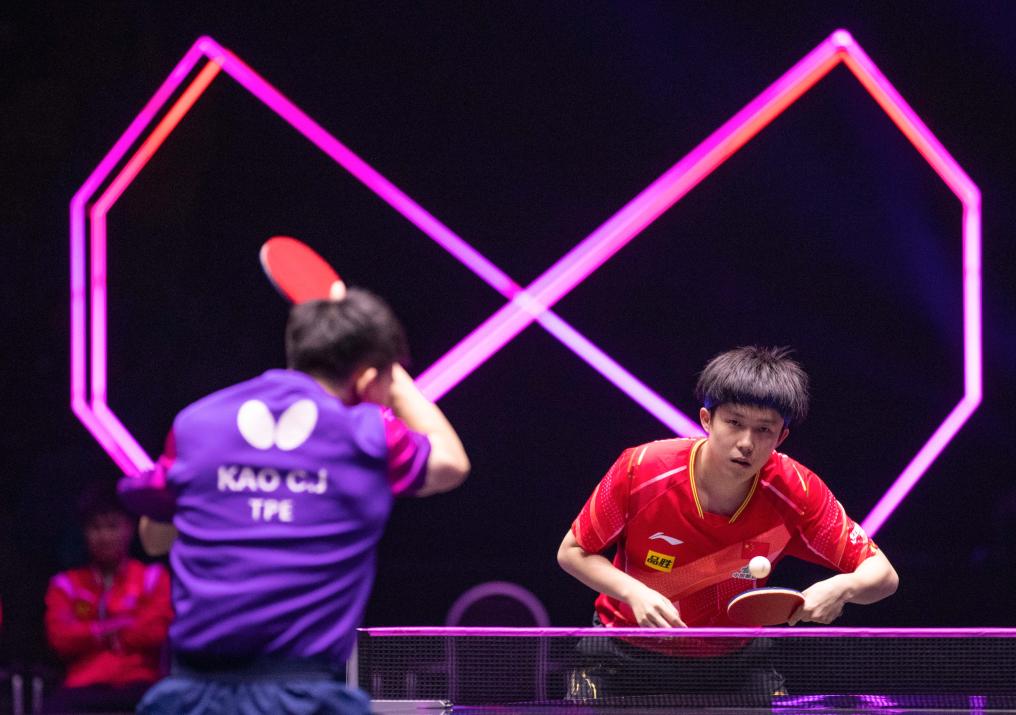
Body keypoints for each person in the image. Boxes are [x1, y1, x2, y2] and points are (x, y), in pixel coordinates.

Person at [118, 288, 470, 714]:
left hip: (190, 697)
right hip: (305, 699)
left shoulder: (199, 422)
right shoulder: (370, 436)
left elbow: (153, 539)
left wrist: (234, 491)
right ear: (368, 379)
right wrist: (394, 380)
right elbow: (452, 463)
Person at [557, 346, 898, 698]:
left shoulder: (797, 492)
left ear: (781, 437)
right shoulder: (641, 468)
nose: (747, 443)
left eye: (763, 429)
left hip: (734, 664)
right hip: (621, 655)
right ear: (707, 419)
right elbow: (572, 552)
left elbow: (884, 576)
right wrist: (634, 592)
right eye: (734, 423)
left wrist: (842, 588)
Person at [43, 483, 172, 713]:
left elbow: (156, 632)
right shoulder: (66, 584)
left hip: (140, 683)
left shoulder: (153, 578)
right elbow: (60, 638)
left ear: (129, 529)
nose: (104, 536)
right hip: (82, 686)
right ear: (84, 533)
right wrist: (119, 625)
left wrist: (91, 632)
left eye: (112, 526)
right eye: (95, 528)